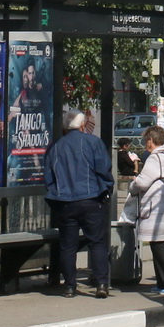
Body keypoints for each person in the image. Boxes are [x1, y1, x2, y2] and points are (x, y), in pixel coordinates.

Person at [43, 109, 114, 299]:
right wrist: (106, 190)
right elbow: (104, 170)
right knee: (97, 243)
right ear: (83, 125)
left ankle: (69, 286)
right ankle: (101, 283)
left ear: (65, 127)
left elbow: (48, 178)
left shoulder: (55, 147)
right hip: (91, 199)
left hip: (64, 202)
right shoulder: (93, 143)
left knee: (68, 246)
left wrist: (56, 197)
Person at [130, 126, 164, 295]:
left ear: (151, 141)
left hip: (158, 208)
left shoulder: (156, 158)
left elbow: (143, 182)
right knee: (160, 243)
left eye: (145, 140)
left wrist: (132, 185)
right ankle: (163, 283)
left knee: (159, 244)